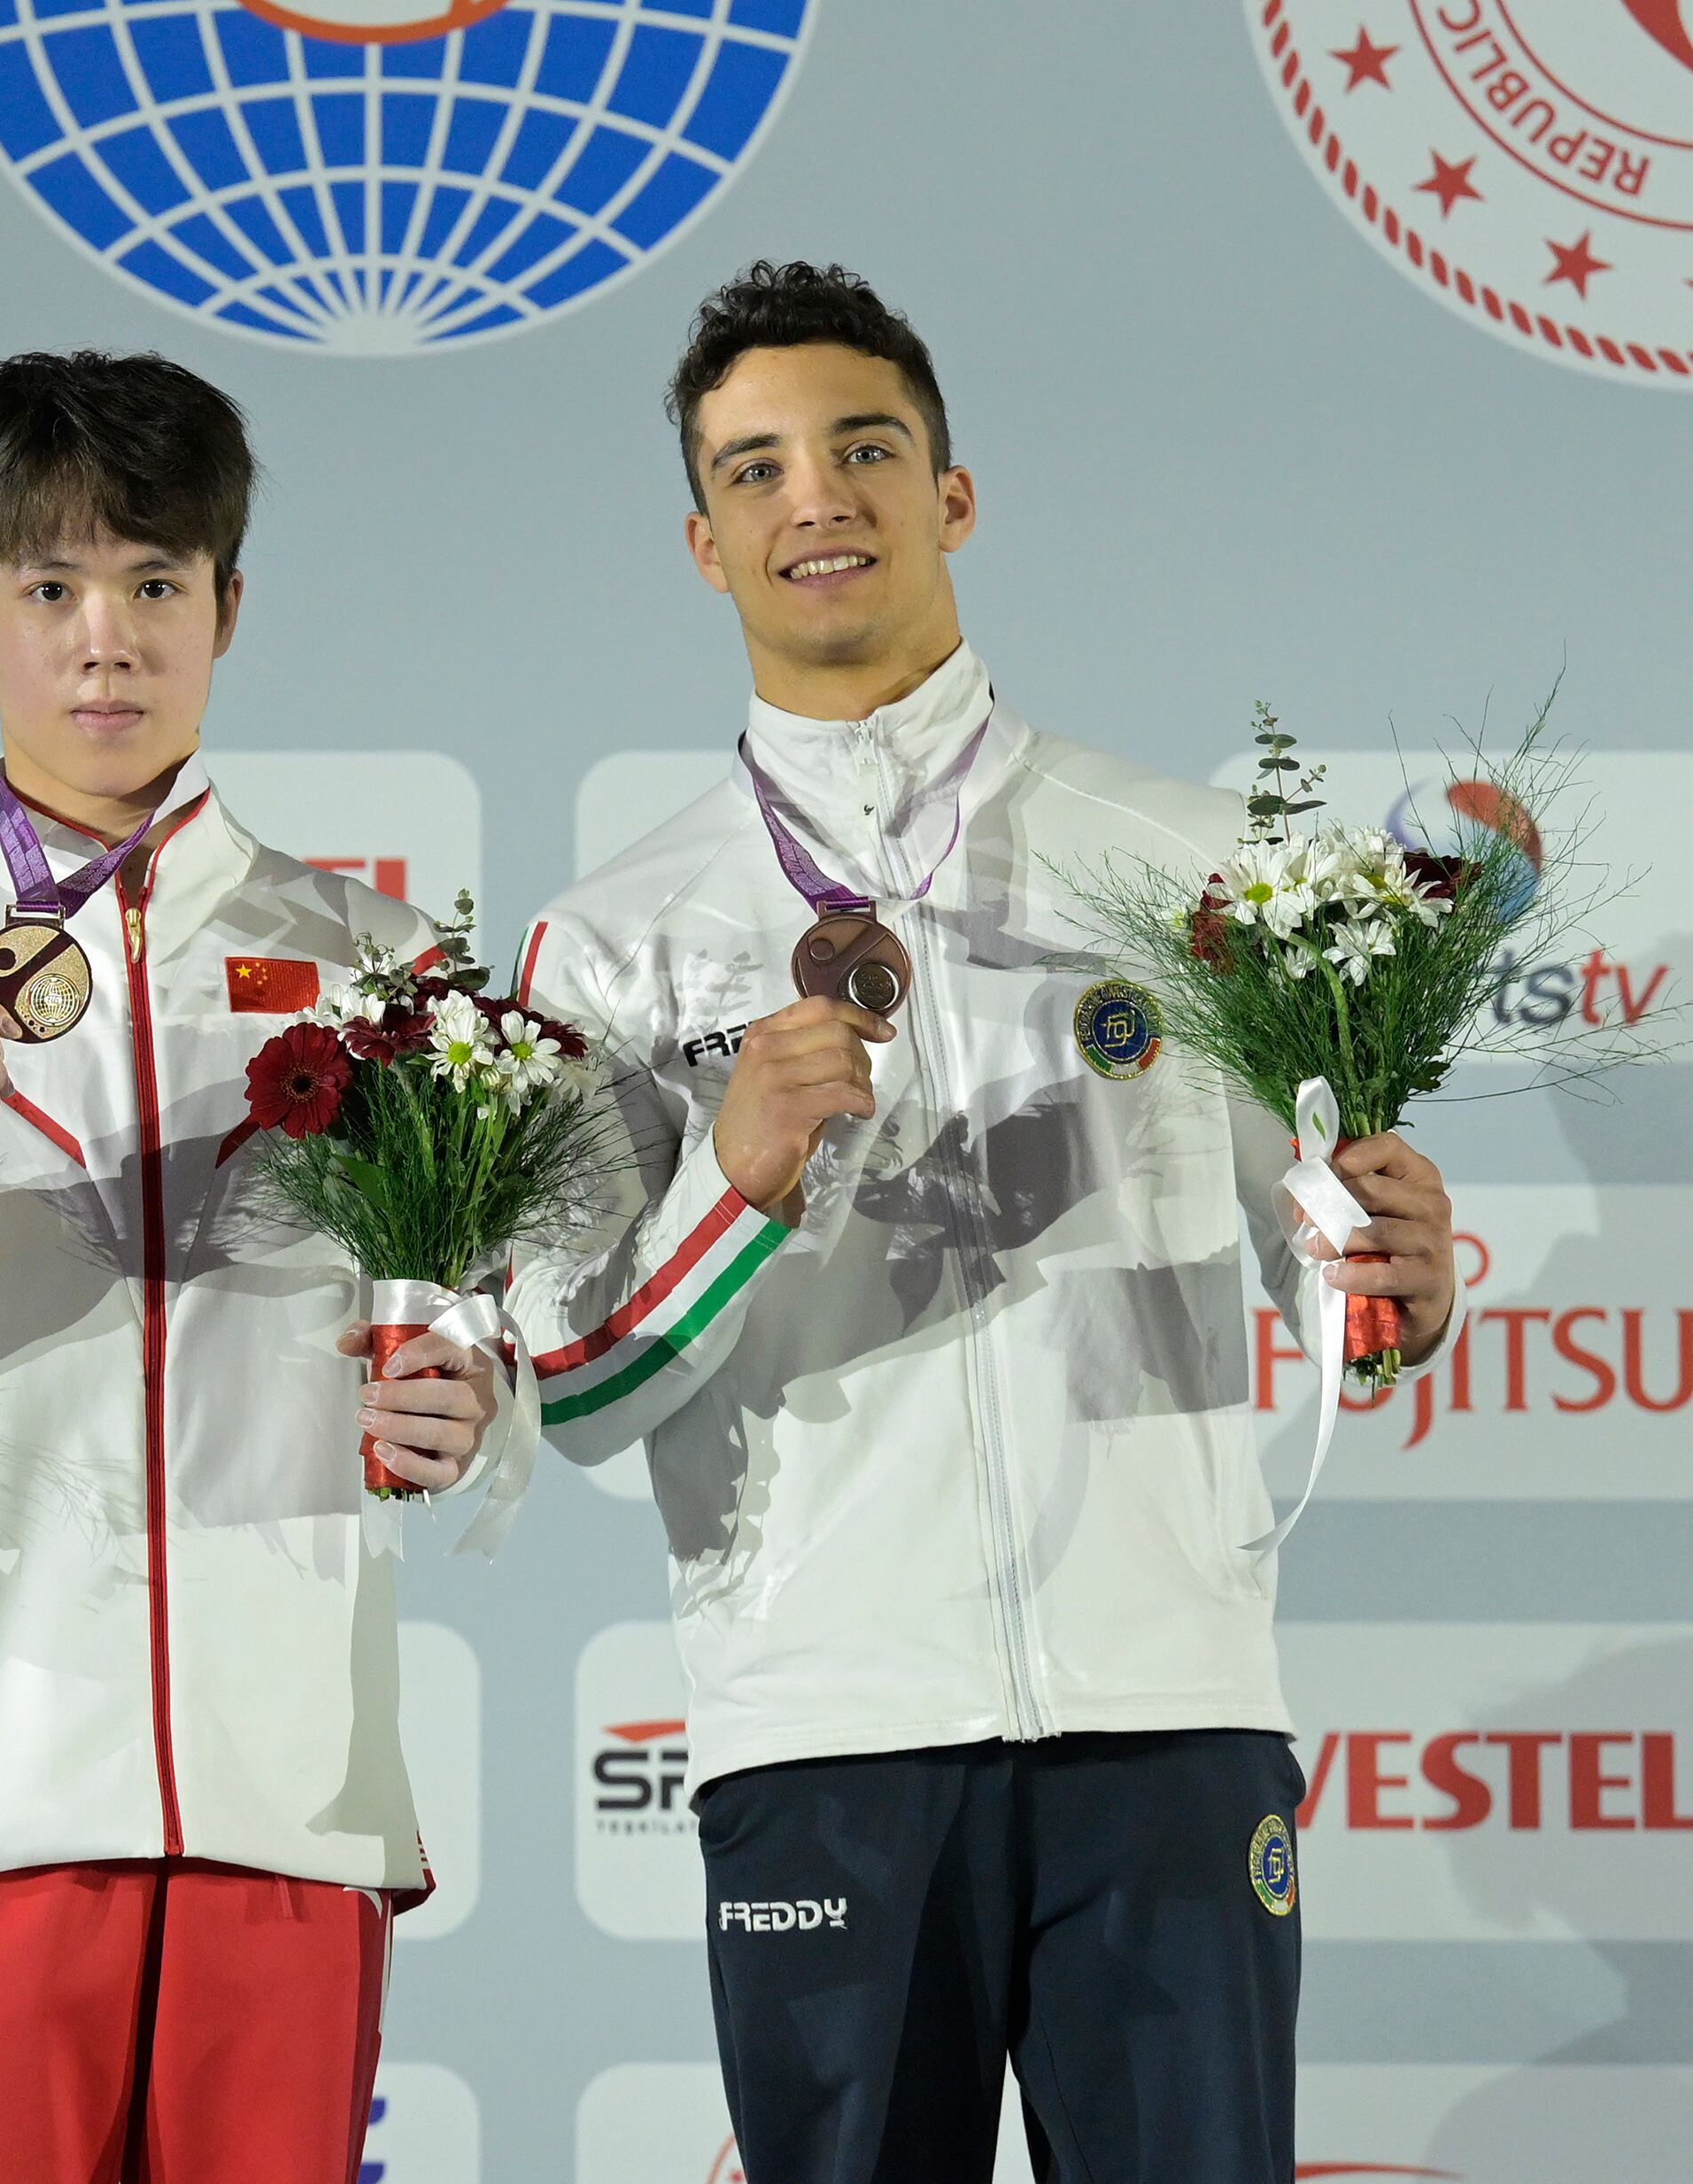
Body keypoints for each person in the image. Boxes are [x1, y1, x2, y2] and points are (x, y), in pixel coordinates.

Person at [506, 263, 1459, 2183]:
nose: (816, 498)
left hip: (1168, 1718)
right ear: (703, 545)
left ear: (952, 496)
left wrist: (1398, 1277)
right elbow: (578, 1387)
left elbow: (1329, 1270)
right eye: (756, 468)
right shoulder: (611, 939)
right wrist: (734, 1186)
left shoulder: (1192, 867)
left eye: (864, 448)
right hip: (824, 1743)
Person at [0, 350, 532, 2181]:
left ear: (227, 608)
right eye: (49, 588)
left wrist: (470, 1409)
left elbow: (485, 1336)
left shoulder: (384, 968)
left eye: (154, 583)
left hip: (290, 1793)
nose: (106, 640)